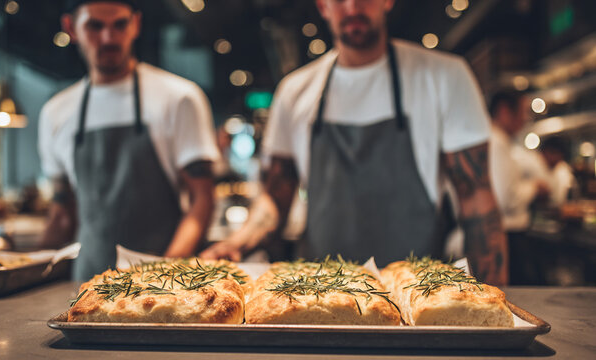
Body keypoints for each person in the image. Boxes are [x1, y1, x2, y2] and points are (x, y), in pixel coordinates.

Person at [203, 0, 509, 285]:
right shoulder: (295, 91)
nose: (351, 7)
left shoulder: (444, 77)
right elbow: (275, 198)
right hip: (319, 292)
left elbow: (477, 201)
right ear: (322, 5)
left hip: (416, 293)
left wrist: (494, 306)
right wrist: (238, 242)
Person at [38, 0, 219, 280]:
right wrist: (25, 268)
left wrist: (164, 273)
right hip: (87, 283)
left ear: (136, 24)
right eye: (95, 26)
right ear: (70, 28)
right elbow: (63, 213)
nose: (109, 38)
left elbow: (202, 200)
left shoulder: (179, 98)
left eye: (120, 24)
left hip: (162, 285)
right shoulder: (56, 112)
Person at [488, 91, 549, 232]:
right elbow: (505, 199)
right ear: (504, 111)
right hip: (505, 232)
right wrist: (534, 187)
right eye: (523, 112)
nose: (526, 119)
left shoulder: (497, 140)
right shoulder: (496, 142)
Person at [540, 136, 576, 206]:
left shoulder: (563, 170)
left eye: (560, 155)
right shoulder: (535, 167)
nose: (558, 158)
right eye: (554, 153)